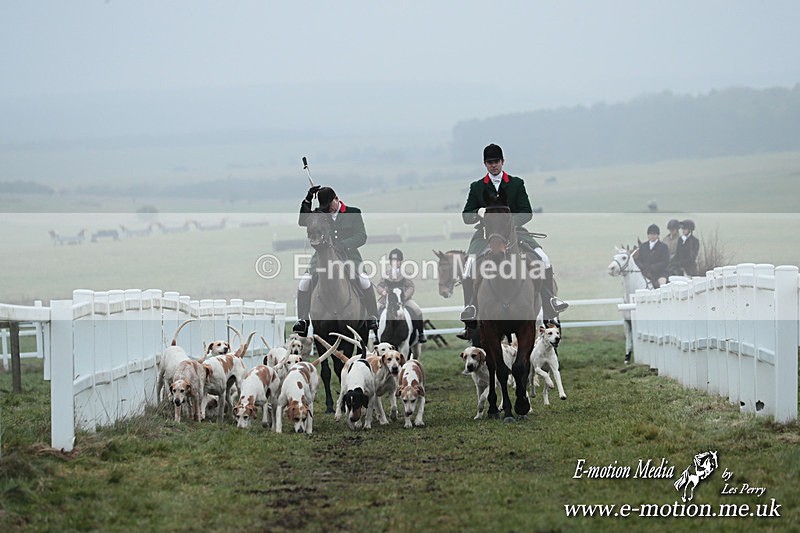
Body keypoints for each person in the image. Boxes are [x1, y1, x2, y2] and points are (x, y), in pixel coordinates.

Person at [457, 143, 568, 339]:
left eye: (496, 162)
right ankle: (471, 311)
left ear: (503, 162)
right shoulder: (477, 187)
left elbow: (526, 212)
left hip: (516, 233)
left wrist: (509, 224)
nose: (493, 165)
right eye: (490, 162)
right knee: (469, 267)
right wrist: (479, 212)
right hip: (486, 236)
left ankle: (550, 302)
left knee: (544, 259)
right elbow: (466, 216)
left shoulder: (516, 183)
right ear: (485, 164)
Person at [292, 185, 379, 336]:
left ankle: (372, 316)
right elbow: (303, 221)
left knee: (364, 280)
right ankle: (303, 320)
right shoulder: (321, 215)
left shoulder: (354, 212)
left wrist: (343, 245)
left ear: (336, 199)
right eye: (325, 207)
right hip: (322, 258)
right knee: (304, 282)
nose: (329, 209)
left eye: (330, 205)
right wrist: (307, 199)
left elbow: (361, 236)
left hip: (349, 256)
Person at [376, 248, 427, 343]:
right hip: (387, 299)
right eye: (393, 261)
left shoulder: (405, 273)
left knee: (417, 310)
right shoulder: (386, 274)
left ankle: (420, 333)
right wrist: (382, 291)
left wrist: (404, 296)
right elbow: (379, 286)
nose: (395, 263)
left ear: (400, 262)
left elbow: (410, 286)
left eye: (397, 261)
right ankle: (376, 335)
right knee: (376, 309)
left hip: (403, 299)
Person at [634, 223, 670, 288]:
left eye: (654, 234)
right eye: (650, 234)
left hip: (660, 273)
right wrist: (643, 267)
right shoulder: (643, 246)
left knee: (662, 285)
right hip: (645, 273)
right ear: (648, 235)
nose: (652, 236)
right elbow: (638, 260)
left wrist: (652, 267)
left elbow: (665, 262)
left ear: (657, 235)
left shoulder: (663, 247)